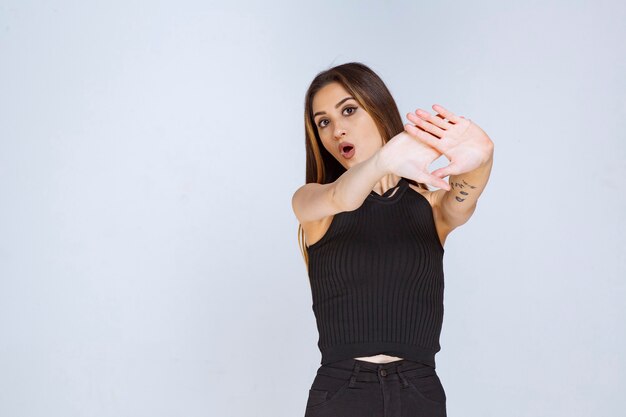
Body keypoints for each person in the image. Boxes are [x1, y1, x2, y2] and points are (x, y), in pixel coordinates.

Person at [291, 62, 494, 417]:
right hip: (341, 394)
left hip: (418, 391)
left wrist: (483, 157)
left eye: (349, 110)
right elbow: (344, 198)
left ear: (377, 107)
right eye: (323, 122)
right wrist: (383, 161)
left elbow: (464, 199)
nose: (337, 129)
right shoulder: (313, 202)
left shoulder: (431, 208)